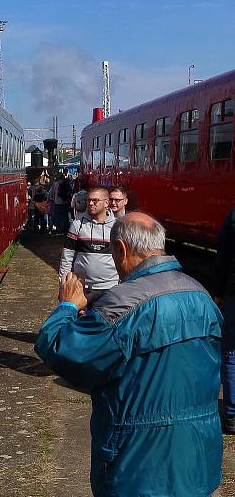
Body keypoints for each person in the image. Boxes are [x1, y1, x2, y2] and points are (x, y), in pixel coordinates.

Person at [35, 212, 223, 496]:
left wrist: (67, 307)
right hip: (197, 457)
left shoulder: (122, 305)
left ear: (121, 248)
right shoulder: (201, 295)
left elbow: (61, 350)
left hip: (139, 465)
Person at [58, 186, 118, 304]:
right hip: (82, 287)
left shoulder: (117, 227)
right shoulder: (77, 225)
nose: (90, 203)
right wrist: (63, 286)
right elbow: (67, 258)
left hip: (111, 288)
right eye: (88, 200)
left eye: (95, 200)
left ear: (106, 203)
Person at [215, 207, 235, 432]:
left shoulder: (232, 216)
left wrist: (218, 292)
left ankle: (232, 414)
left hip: (234, 292)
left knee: (231, 353)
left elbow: (223, 258)